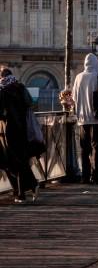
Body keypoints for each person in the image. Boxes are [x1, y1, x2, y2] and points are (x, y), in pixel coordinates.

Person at [0, 66, 39, 203]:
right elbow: (30, 104)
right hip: (23, 129)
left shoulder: (3, 90)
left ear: (2, 77)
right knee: (20, 160)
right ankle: (21, 191)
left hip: (9, 131)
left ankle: (25, 189)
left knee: (11, 162)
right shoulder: (21, 87)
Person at [71, 53, 98, 185]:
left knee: (84, 148)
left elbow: (74, 98)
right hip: (97, 119)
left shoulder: (78, 77)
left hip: (83, 118)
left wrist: (77, 114)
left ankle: (85, 175)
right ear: (96, 64)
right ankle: (97, 175)